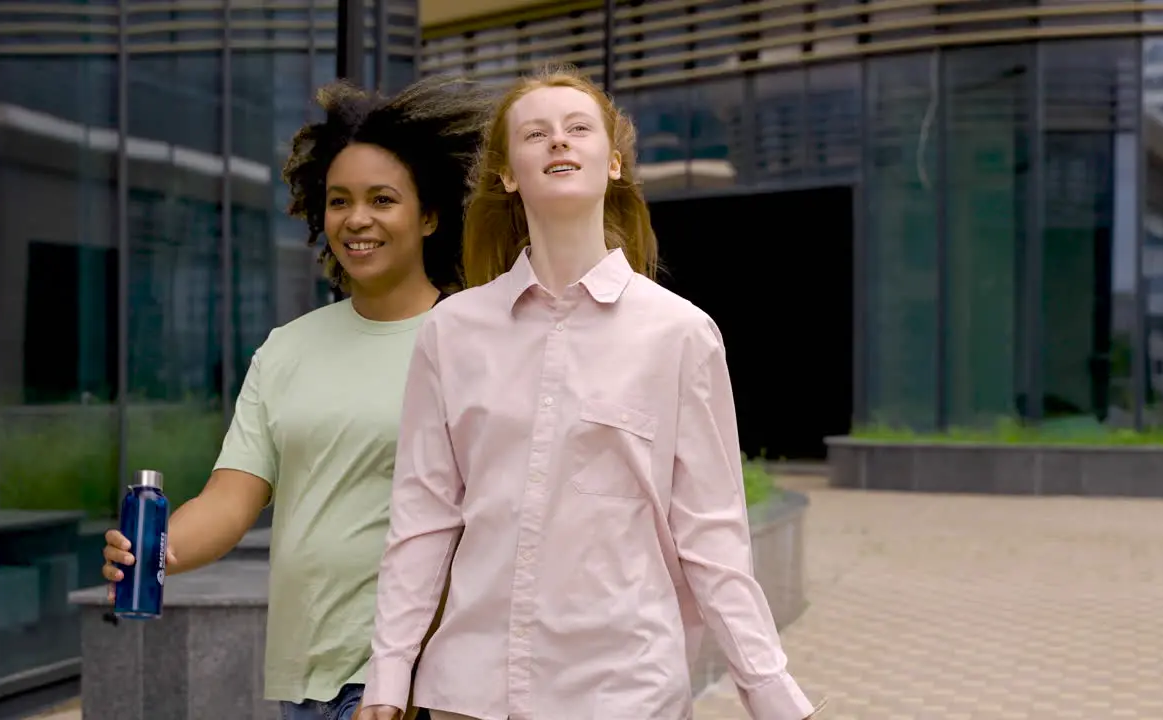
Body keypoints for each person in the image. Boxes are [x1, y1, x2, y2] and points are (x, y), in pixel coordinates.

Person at [357, 64, 824, 720]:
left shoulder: (680, 334)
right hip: (474, 690)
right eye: (536, 133)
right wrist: (390, 669)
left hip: (623, 690)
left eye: (578, 129)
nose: (558, 141)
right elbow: (423, 518)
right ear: (507, 174)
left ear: (613, 164)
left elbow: (712, 535)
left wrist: (771, 691)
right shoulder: (452, 331)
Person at [99, 75, 491, 720]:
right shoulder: (287, 348)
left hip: (419, 677)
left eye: (382, 199)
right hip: (306, 677)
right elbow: (232, 496)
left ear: (429, 215)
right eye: (339, 201)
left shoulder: (475, 340)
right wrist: (160, 548)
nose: (356, 219)